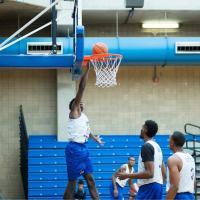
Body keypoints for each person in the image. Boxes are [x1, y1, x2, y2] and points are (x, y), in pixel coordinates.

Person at [63, 63, 104, 200]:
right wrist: (89, 69)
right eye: (79, 102)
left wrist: (94, 138)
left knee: (90, 179)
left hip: (83, 149)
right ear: (75, 105)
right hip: (74, 149)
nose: (82, 103)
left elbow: (87, 130)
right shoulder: (74, 111)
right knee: (72, 183)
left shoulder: (84, 117)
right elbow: (81, 88)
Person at [117, 120, 166, 200]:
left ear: (145, 130)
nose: (141, 129)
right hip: (158, 186)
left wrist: (127, 175)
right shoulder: (158, 147)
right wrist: (157, 185)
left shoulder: (146, 146)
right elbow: (164, 174)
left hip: (148, 187)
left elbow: (150, 173)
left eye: (142, 127)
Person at [166, 131, 195, 200]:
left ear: (172, 143)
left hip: (179, 196)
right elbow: (193, 182)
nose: (168, 141)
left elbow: (174, 186)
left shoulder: (173, 159)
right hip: (190, 196)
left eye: (169, 139)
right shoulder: (190, 158)